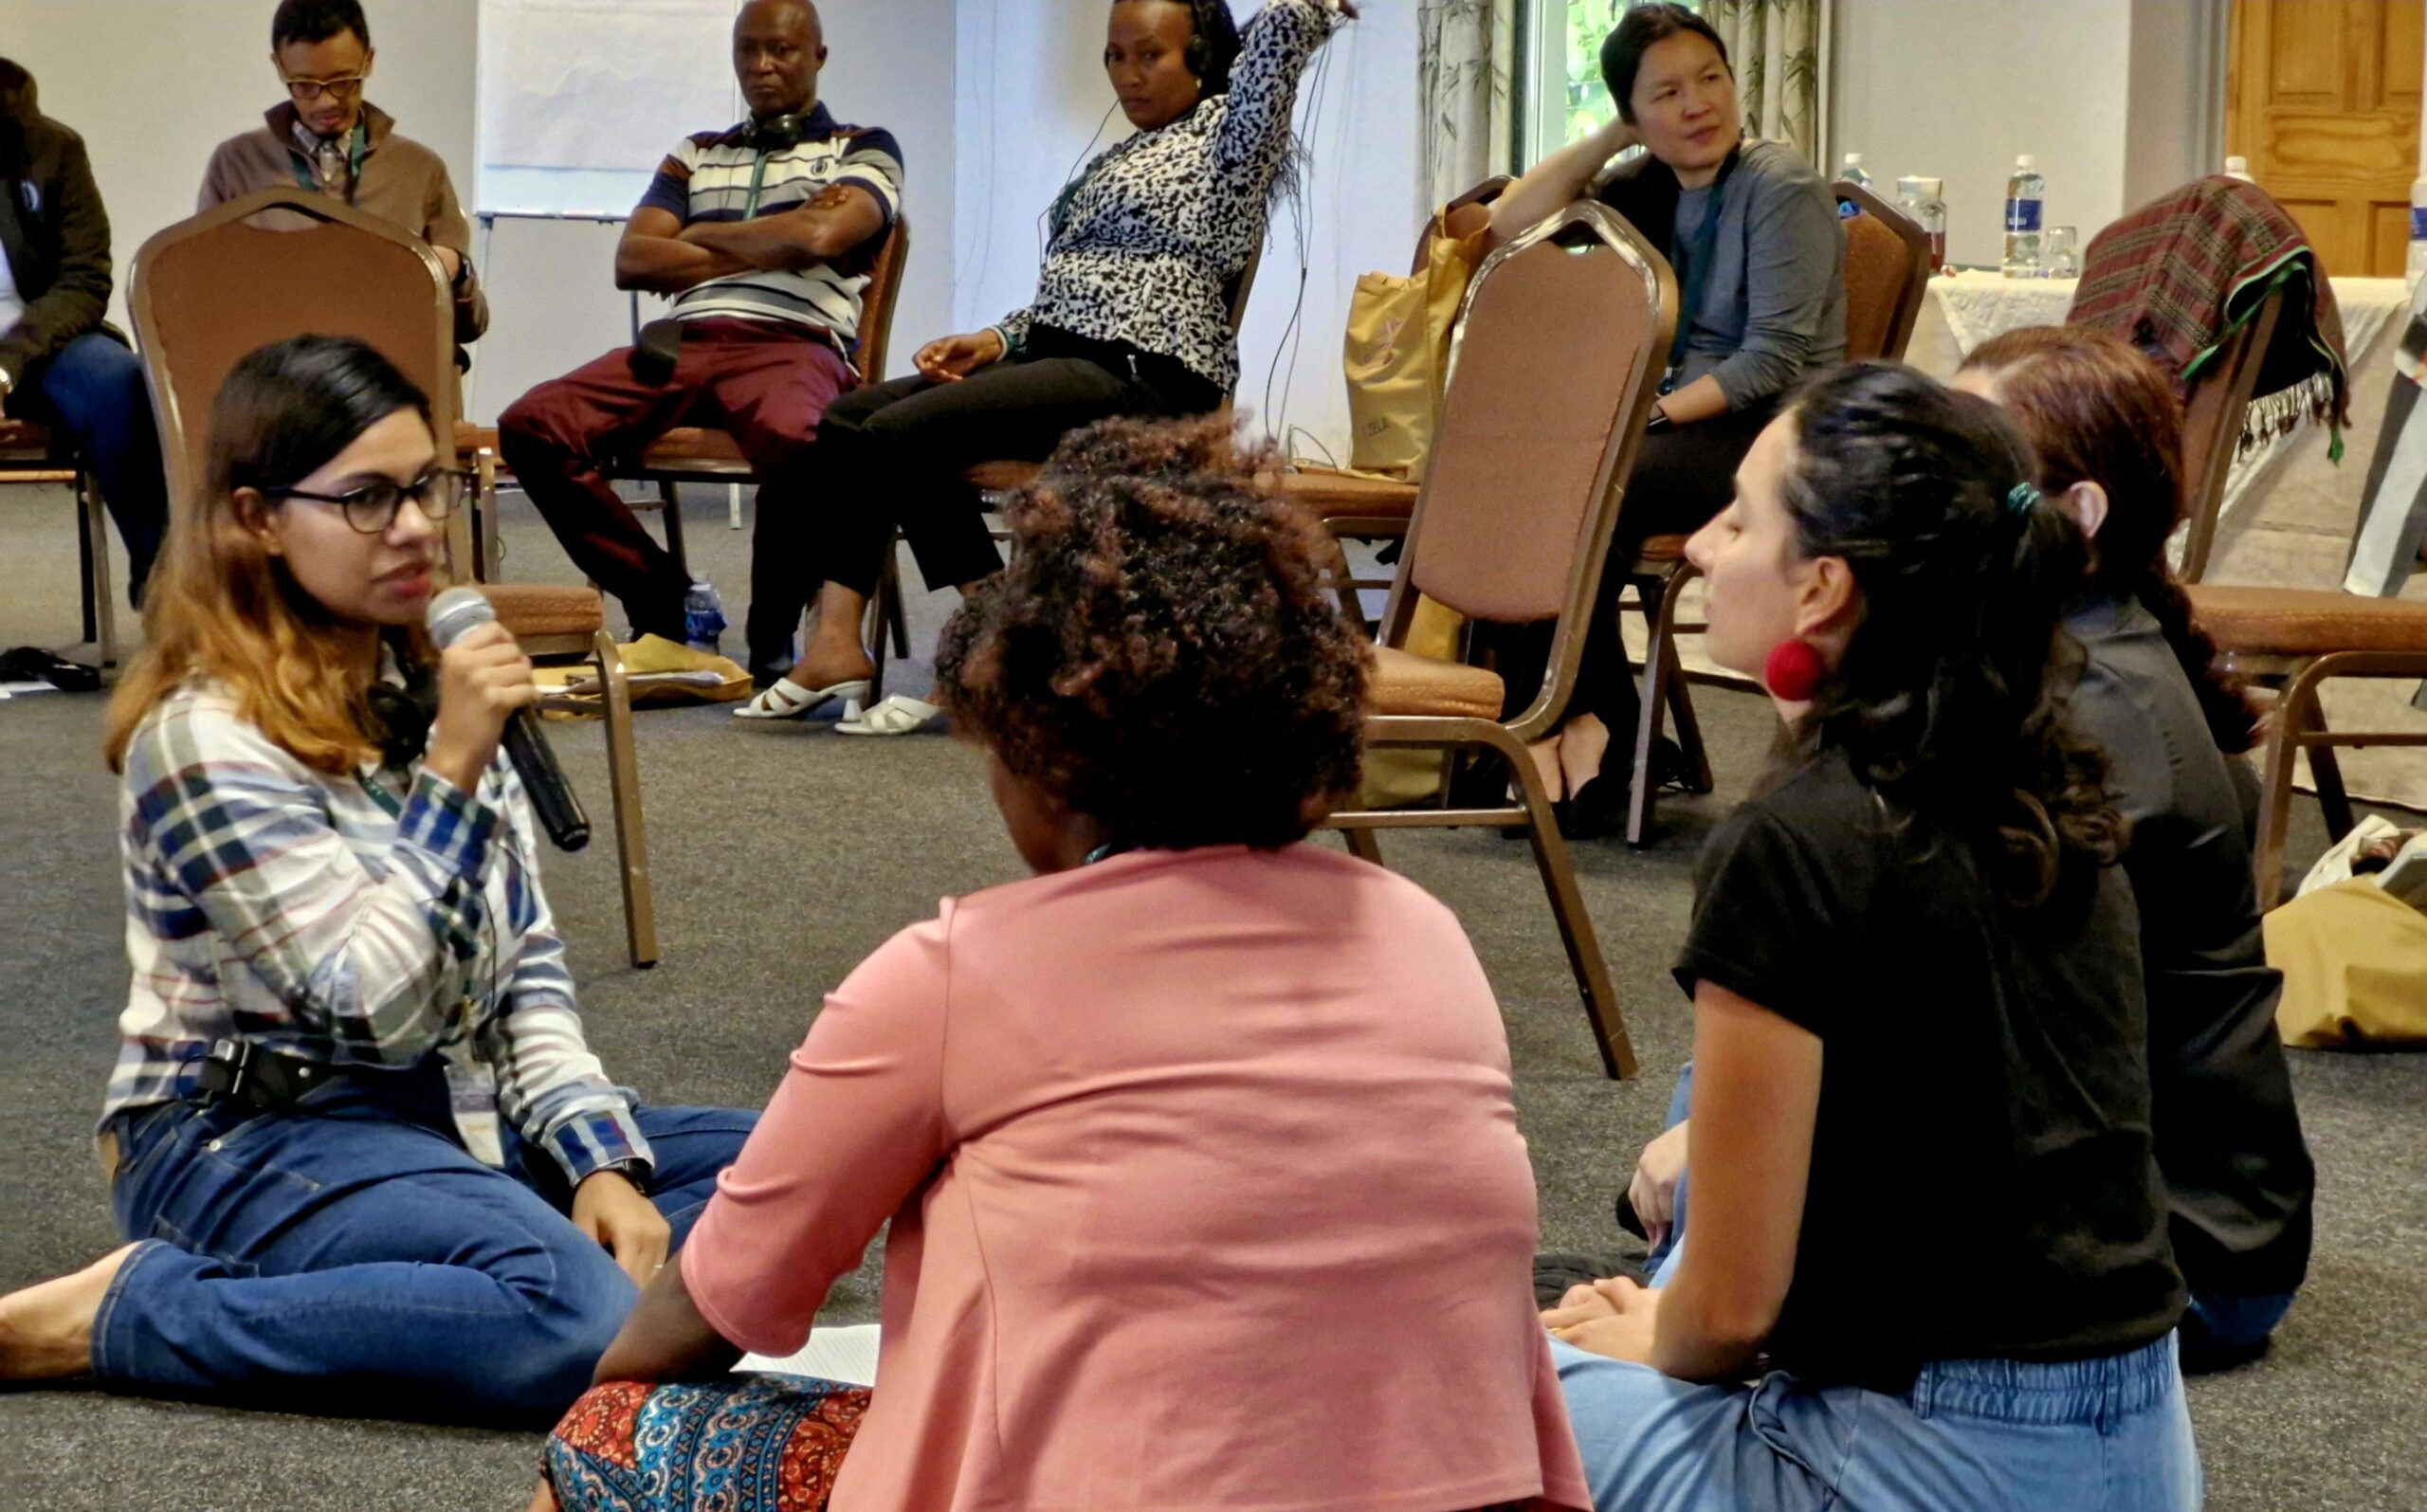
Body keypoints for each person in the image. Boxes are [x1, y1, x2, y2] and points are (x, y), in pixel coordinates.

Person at [531, 418, 1592, 1512]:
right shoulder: (1427, 938)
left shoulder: (956, 974)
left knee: (613, 1430)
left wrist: (607, 1396)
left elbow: (710, 1308)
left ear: (1041, 749)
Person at [0, 336, 754, 1424]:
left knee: (802, 1168)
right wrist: (452, 769)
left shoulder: (423, 684)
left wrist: (598, 1161)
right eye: (364, 498)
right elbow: (370, 1009)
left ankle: (463, 1254)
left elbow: (526, 972)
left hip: (448, 1106)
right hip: (248, 1129)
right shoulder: (205, 733)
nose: (411, 527)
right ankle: (128, 1307)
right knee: (574, 1316)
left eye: (423, 488)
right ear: (257, 517)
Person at [1546, 364, 2198, 1511]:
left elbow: (1730, 1314)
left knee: (1463, 1376)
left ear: (1823, 591)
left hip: (1935, 1453)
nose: (1700, 544)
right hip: (2138, 1442)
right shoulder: (2050, 784)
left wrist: (1652, 1331)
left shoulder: (1797, 840)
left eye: (1740, 518)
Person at [735, 0, 1355, 723]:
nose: (1128, 75)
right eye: (1115, 57)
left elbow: (1275, 52)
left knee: (902, 436)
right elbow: (1076, 293)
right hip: (1067, 361)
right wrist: (996, 340)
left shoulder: (1230, 140)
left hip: (1147, 376)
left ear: (1204, 60)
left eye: (1149, 55)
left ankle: (996, 646)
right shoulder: (1123, 155)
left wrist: (1309, 6)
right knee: (849, 418)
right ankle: (836, 643)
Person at [1956, 325, 2314, 1368]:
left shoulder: (2095, 722)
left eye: (1970, 465)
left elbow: (1955, 1015)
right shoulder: (2057, 654)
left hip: (2184, 1256)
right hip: (2141, 1213)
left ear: (2079, 516)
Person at [1483, 3, 1844, 832]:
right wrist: (1613, 138)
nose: (1697, 105)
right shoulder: (1647, 187)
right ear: (1635, 115)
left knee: (1598, 482)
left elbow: (1771, 361)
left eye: (1711, 78)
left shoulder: (1778, 183)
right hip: (1689, 424)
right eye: (1667, 93)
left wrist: (1641, 417)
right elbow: (1508, 225)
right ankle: (1589, 717)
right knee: (1539, 481)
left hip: (1780, 430)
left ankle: (1560, 725)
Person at [500, 0, 903, 681]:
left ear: (818, 57)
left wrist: (695, 237)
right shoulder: (696, 151)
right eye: (747, 50)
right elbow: (633, 261)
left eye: (780, 50)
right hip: (683, 338)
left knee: (806, 443)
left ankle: (771, 634)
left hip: (794, 340)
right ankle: (665, 599)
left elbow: (822, 237)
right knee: (532, 426)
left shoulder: (863, 147)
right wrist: (776, 241)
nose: (762, 65)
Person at [200, 0, 488, 352]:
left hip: (387, 380)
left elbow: (471, 325)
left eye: (343, 82)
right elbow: (205, 299)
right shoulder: (237, 164)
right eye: (304, 85)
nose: (326, 103)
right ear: (278, 67)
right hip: (276, 377)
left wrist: (457, 272)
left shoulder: (419, 169)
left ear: (369, 60)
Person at [0, 59, 170, 605]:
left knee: (119, 384)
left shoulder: (53, 149)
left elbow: (84, 278)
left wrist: (6, 364)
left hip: (42, 340)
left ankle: (165, 583)